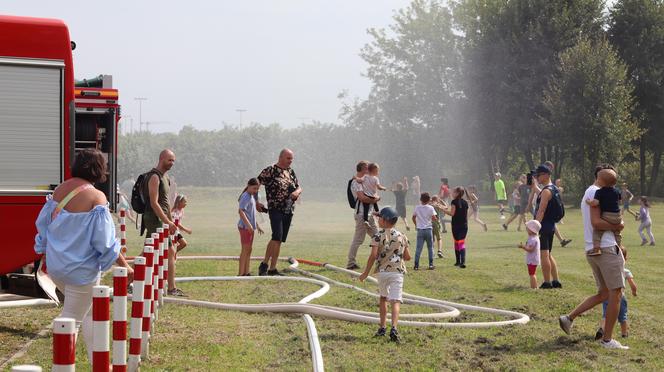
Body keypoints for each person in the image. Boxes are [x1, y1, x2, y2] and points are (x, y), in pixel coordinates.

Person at [34, 149, 134, 363]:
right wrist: (125, 266)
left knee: (87, 314)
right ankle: (62, 365)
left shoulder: (60, 190)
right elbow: (105, 242)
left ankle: (98, 362)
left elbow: (43, 228)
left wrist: (43, 253)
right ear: (99, 169)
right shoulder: (97, 197)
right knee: (71, 321)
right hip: (81, 271)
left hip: (56, 268)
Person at [558, 165, 629, 350]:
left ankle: (568, 318)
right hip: (605, 249)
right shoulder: (597, 192)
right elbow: (596, 222)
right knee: (616, 293)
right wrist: (617, 226)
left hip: (594, 249)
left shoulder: (592, 191)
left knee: (604, 293)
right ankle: (607, 340)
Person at [359, 207, 411, 343]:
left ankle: (382, 327)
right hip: (398, 273)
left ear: (384, 220)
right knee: (396, 300)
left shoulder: (378, 236)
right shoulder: (402, 236)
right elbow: (408, 257)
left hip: (382, 273)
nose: (377, 220)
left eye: (379, 218)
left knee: (383, 298)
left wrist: (365, 273)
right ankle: (394, 328)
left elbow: (373, 256)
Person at [256, 149, 302, 276]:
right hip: (275, 208)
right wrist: (256, 202)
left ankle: (270, 267)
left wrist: (296, 193)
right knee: (277, 236)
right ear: (280, 157)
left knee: (279, 239)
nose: (290, 161)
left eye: (292, 159)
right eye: (288, 158)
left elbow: (299, 186)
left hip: (288, 209)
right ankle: (267, 266)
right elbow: (255, 184)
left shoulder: (290, 171)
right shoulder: (270, 170)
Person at [142, 149, 181, 296]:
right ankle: (171, 288)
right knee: (170, 251)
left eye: (173, 161)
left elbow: (165, 203)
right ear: (162, 159)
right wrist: (167, 222)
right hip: (154, 218)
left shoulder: (166, 177)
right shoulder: (154, 177)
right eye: (170, 160)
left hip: (162, 218)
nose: (172, 163)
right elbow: (154, 203)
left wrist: (171, 221)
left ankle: (129, 275)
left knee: (148, 252)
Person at [532, 165, 562, 289]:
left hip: (543, 226)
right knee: (548, 254)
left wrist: (535, 227)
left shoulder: (546, 191)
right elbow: (543, 195)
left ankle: (547, 282)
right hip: (550, 225)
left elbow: (541, 210)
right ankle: (556, 281)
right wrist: (534, 187)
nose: (536, 177)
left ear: (545, 175)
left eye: (538, 175)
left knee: (543, 254)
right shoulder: (552, 189)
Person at [595, 250, 637, 340]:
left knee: (606, 315)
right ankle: (624, 333)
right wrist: (634, 292)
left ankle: (602, 329)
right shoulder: (625, 271)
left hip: (607, 296)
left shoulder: (607, 270)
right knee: (623, 316)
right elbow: (633, 285)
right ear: (625, 259)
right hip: (620, 297)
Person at [347, 161, 379, 270]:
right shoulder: (356, 182)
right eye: (367, 168)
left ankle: (381, 259)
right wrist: (376, 199)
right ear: (362, 169)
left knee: (378, 236)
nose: (369, 170)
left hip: (369, 214)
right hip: (361, 214)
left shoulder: (365, 181)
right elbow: (362, 198)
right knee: (358, 239)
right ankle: (351, 263)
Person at [585, 170, 623, 255]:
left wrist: (588, 202)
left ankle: (597, 248)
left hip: (607, 216)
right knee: (617, 232)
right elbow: (620, 201)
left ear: (602, 182)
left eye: (598, 178)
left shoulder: (599, 192)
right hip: (617, 216)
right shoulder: (617, 191)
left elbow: (595, 203)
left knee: (597, 231)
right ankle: (619, 246)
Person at [238, 178, 264, 276]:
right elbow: (241, 212)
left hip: (250, 228)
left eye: (257, 189)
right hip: (245, 228)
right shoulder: (245, 196)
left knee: (249, 250)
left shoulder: (251, 196)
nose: (255, 191)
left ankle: (246, 272)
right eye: (254, 188)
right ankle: (240, 274)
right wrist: (248, 225)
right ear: (248, 186)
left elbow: (251, 214)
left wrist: (256, 225)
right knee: (245, 250)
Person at [443, 187, 469, 268]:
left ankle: (460, 262)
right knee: (461, 242)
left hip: (455, 225)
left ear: (457, 193)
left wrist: (443, 209)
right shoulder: (465, 202)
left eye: (453, 192)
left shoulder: (454, 202)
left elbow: (452, 213)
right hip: (464, 225)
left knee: (457, 242)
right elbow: (465, 215)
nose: (452, 193)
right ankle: (460, 262)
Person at [412, 192, 437, 270]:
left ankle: (416, 265)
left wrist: (416, 224)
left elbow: (413, 217)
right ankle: (431, 264)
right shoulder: (431, 208)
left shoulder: (417, 207)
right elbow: (434, 218)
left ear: (420, 199)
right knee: (430, 248)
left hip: (420, 230)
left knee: (418, 248)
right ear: (429, 200)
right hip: (428, 229)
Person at [518, 220, 541, 289]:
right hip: (533, 259)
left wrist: (523, 247)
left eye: (527, 228)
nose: (526, 229)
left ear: (531, 230)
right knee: (532, 274)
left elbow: (530, 250)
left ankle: (534, 288)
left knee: (532, 274)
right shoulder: (534, 238)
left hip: (532, 260)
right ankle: (534, 287)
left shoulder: (533, 239)